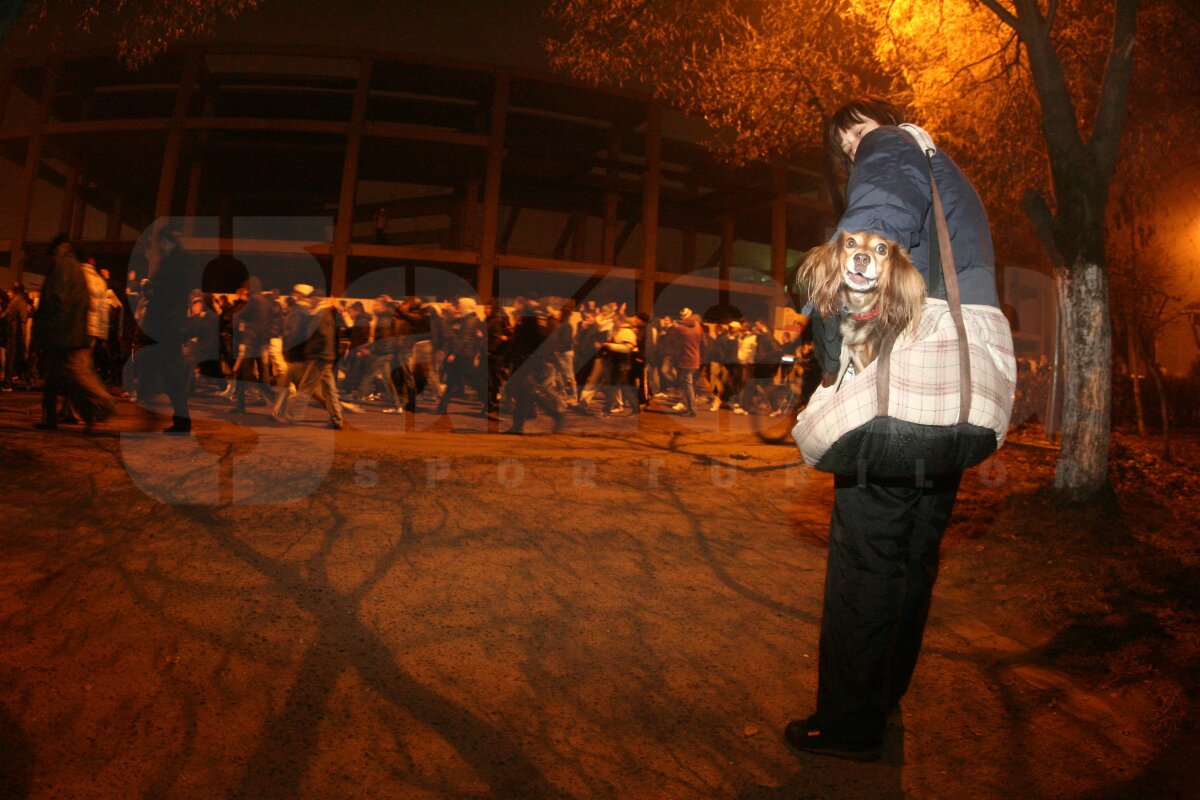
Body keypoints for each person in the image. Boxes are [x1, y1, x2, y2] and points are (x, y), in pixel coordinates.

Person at [784, 96, 1001, 761]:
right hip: (954, 402)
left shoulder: (888, 146)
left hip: (900, 395)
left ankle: (849, 724)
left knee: (870, 557)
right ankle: (882, 696)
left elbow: (869, 242)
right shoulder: (951, 172)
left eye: (848, 147)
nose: (852, 158)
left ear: (859, 130)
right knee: (913, 555)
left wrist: (836, 352)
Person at [30, 234, 115, 430]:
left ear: (58, 250)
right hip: (74, 332)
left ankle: (104, 404)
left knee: (75, 374)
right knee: (58, 377)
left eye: (51, 255)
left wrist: (49, 332)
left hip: (65, 334)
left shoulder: (64, 267)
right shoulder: (75, 269)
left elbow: (57, 302)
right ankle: (61, 418)